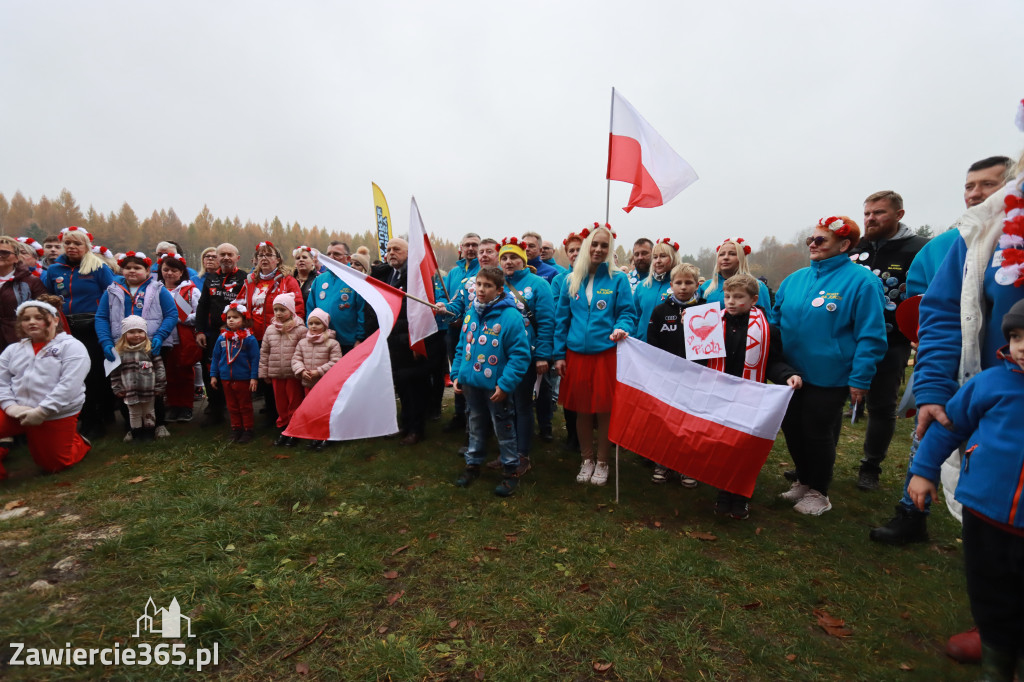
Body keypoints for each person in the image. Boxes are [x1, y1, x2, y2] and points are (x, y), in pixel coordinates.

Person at [908, 141, 1024, 664]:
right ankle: (997, 630)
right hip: (996, 402)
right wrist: (932, 389)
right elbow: (941, 311)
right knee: (992, 532)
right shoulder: (984, 231)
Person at [870, 156, 1015, 547]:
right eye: (969, 186)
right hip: (956, 369)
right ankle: (912, 511)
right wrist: (933, 378)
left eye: (988, 184)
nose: (976, 193)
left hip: (1005, 383)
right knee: (930, 435)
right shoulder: (960, 241)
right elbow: (932, 305)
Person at [907, 299, 1024, 681]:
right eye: (1016, 337)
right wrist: (923, 470)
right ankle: (997, 664)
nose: (1021, 346)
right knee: (989, 591)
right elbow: (949, 427)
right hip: (984, 513)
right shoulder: (989, 383)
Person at [772, 216, 887, 515]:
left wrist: (861, 378)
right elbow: (774, 320)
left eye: (821, 240)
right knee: (792, 428)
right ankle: (804, 478)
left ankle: (819, 491)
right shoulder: (794, 279)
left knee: (815, 430)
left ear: (845, 245)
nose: (812, 244)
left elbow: (871, 335)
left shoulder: (863, 282)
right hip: (791, 373)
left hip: (831, 375)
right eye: (810, 239)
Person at [850, 191, 928, 490]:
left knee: (882, 405)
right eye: (867, 212)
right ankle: (820, 459)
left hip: (891, 340)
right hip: (848, 338)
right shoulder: (854, 247)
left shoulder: (920, 249)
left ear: (899, 215)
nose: (870, 218)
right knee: (831, 396)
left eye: (879, 212)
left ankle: (871, 465)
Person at [708, 274, 802, 519]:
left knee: (744, 446)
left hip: (749, 396)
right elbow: (698, 356)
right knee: (724, 444)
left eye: (738, 297)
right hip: (720, 394)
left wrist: (788, 375)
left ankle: (741, 494)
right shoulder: (713, 323)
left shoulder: (767, 330)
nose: (730, 302)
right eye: (727, 296)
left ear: (754, 299)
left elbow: (773, 361)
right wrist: (691, 326)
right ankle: (723, 490)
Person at [553, 223, 637, 486]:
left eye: (604, 245)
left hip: (605, 354)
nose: (598, 249)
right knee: (581, 410)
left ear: (610, 249)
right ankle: (586, 459)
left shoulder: (618, 279)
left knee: (604, 411)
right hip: (576, 354)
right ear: (587, 246)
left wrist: (621, 327)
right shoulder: (571, 280)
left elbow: (627, 312)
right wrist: (558, 354)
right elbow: (561, 320)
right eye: (595, 244)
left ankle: (602, 461)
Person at [451, 266, 531, 497]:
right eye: (478, 284)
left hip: (496, 387)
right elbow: (461, 347)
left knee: (504, 427)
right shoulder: (470, 313)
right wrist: (457, 374)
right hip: (471, 384)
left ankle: (510, 470)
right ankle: (472, 464)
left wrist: (505, 385)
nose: (481, 290)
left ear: (499, 290)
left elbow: (520, 355)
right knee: (475, 424)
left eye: (487, 286)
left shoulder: (511, 317)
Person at [0, 298, 91, 479]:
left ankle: (78, 442)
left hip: (54, 413)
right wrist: (11, 407)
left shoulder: (72, 347)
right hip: (16, 411)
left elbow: (69, 385)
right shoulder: (13, 350)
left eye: (39, 317)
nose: (32, 322)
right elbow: (1, 381)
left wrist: (42, 411)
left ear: (55, 320)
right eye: (26, 319)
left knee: (54, 466)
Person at [95, 251, 178, 438]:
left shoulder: (158, 289)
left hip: (151, 345)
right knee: (127, 386)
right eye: (128, 267)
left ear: (148, 270)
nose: (132, 271)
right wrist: (106, 342)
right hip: (122, 346)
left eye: (137, 268)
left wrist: (159, 336)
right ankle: (132, 426)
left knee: (152, 384)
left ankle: (158, 423)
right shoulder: (112, 290)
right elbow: (101, 317)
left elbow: (171, 314)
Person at [44, 226, 115, 439]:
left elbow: (111, 295)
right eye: (68, 243)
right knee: (74, 372)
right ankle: (85, 416)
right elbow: (47, 295)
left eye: (77, 243)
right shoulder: (54, 270)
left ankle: (101, 416)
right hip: (67, 327)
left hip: (93, 325)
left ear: (87, 246)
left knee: (94, 372)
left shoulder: (98, 267)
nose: (72, 247)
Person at [497, 238, 555, 475]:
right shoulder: (497, 283)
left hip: (527, 357)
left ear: (523, 259)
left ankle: (522, 455)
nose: (509, 261)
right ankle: (506, 453)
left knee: (522, 405)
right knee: (503, 404)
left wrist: (542, 355)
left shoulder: (539, 284)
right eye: (505, 257)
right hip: (500, 356)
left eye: (514, 257)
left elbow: (547, 322)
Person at [646, 262, 705, 485]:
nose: (683, 287)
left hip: (694, 377)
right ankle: (663, 461)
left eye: (688, 282)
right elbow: (652, 342)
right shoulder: (660, 311)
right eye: (678, 282)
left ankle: (687, 465)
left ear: (697, 284)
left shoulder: (706, 310)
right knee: (666, 420)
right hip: (667, 377)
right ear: (671, 285)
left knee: (689, 421)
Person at [234, 241, 303, 427]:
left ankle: (287, 417)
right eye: (260, 255)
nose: (264, 258)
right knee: (262, 375)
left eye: (268, 255)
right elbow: (238, 305)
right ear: (255, 259)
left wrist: (290, 330)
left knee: (280, 378)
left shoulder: (287, 280)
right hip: (254, 336)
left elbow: (298, 308)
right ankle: (271, 414)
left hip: (280, 337)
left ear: (277, 259)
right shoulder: (249, 282)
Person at [369, 237, 430, 445]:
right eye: (388, 249)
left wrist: (417, 340)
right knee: (402, 386)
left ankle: (416, 429)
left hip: (411, 341)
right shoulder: (387, 274)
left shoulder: (416, 276)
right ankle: (404, 424)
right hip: (393, 339)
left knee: (415, 388)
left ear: (409, 252)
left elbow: (421, 312)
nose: (391, 252)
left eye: (397, 249)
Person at [195, 243, 247, 426]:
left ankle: (238, 410)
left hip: (237, 334)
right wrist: (199, 330)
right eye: (222, 254)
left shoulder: (245, 278)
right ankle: (214, 408)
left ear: (237, 258)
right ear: (217, 258)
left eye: (229, 254)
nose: (226, 257)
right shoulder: (210, 278)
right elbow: (202, 306)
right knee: (211, 371)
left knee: (234, 371)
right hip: (212, 335)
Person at [443, 233, 481, 434]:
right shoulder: (453, 273)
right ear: (461, 247)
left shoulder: (483, 270)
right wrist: (448, 313)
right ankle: (459, 414)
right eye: (467, 245)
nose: (471, 248)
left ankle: (473, 418)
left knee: (473, 370)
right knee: (456, 370)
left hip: (475, 332)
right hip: (453, 330)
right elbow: (447, 296)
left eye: (475, 245)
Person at [157, 252, 201, 423]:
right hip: (164, 338)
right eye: (166, 269)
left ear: (181, 272)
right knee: (168, 373)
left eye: (174, 270)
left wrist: (181, 318)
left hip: (183, 338)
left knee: (184, 372)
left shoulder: (191, 290)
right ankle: (173, 405)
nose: (169, 273)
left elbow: (199, 315)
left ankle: (186, 406)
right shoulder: (156, 289)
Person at [259, 293, 307, 447]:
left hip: (293, 374)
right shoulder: (270, 329)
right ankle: (283, 427)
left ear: (291, 311)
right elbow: (265, 351)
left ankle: (294, 430)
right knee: (280, 402)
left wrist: (302, 369)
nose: (278, 313)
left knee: (294, 401)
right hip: (276, 373)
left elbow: (305, 351)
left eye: (282, 310)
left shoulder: (300, 329)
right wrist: (264, 371)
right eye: (276, 310)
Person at [291, 307, 341, 451]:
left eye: (317, 323)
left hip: (324, 385)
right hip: (308, 383)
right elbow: (296, 359)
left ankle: (326, 436)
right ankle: (314, 435)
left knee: (325, 411)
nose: (313, 326)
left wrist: (319, 371)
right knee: (311, 410)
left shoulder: (332, 343)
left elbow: (336, 362)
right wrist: (301, 370)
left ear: (325, 325)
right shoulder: (303, 343)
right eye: (311, 323)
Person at [109, 315, 166, 442]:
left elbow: (160, 369)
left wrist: (160, 386)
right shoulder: (120, 353)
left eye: (140, 331)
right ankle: (136, 434)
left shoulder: (150, 350)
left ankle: (149, 434)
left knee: (148, 411)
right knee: (134, 413)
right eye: (131, 332)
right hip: (129, 391)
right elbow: (115, 372)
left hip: (148, 390)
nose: (137, 335)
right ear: (124, 334)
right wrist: (117, 388)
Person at [210, 302, 260, 444]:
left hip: (243, 378)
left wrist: (253, 377)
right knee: (232, 405)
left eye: (235, 317)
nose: (231, 320)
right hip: (226, 377)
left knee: (245, 405)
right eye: (228, 317)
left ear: (244, 320)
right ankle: (236, 428)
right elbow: (215, 357)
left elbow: (255, 359)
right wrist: (214, 375)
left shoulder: (249, 339)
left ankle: (248, 429)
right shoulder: (222, 338)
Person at [552, 231, 583, 452]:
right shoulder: (560, 280)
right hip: (571, 345)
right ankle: (573, 435)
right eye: (571, 250)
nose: (575, 253)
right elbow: (558, 315)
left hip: (592, 345)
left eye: (579, 249)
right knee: (571, 394)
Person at [306, 248, 365, 355]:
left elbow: (362, 310)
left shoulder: (355, 279)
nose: (331, 257)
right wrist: (310, 331)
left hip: (348, 342)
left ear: (347, 258)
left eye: (336, 254)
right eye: (329, 254)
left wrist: (360, 338)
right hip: (322, 340)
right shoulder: (319, 279)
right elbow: (310, 308)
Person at [0, 236, 46, 353]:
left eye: (4, 253)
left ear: (16, 258)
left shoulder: (31, 281)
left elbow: (45, 312)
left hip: (20, 340)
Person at [698, 238, 772, 309]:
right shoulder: (706, 286)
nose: (725, 257)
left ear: (742, 259)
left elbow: (764, 318)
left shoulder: (757, 286)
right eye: (721, 254)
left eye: (732, 254)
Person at [632, 238, 679, 343]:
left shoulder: (681, 285)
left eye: (663, 256)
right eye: (655, 257)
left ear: (673, 258)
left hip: (670, 349)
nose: (658, 261)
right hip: (643, 346)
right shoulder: (643, 286)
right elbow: (634, 317)